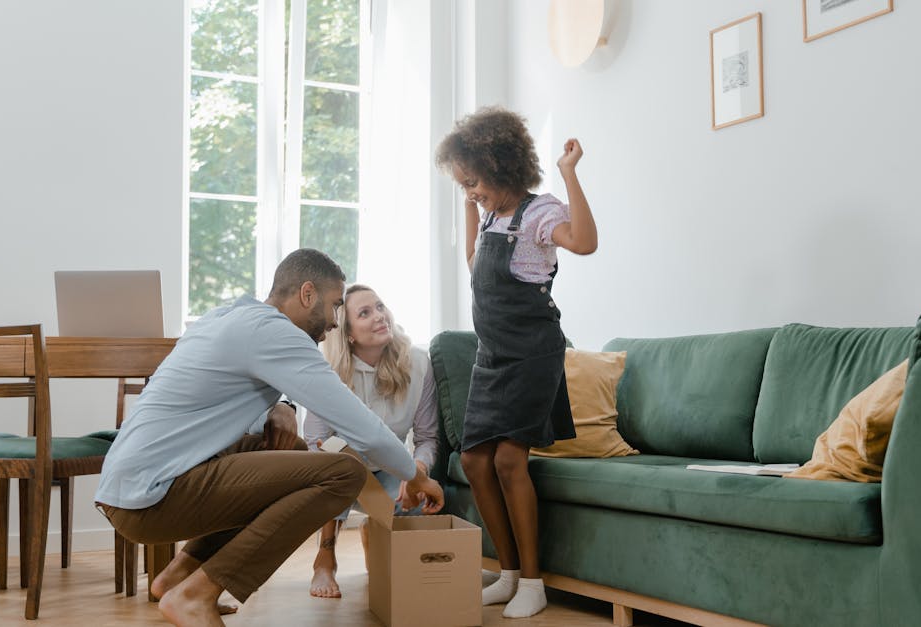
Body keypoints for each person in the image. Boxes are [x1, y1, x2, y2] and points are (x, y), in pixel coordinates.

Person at [93, 249, 444, 627]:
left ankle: (178, 577)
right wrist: (416, 476)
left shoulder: (229, 316)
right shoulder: (276, 334)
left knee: (291, 448)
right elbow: (363, 427)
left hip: (127, 488)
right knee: (345, 473)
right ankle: (197, 595)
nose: (333, 321)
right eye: (334, 305)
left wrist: (281, 406)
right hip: (150, 498)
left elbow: (218, 401)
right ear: (307, 294)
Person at [435, 107, 598, 619]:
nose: (470, 192)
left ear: (500, 165)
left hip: (533, 354)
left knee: (509, 460)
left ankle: (533, 581)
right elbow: (473, 264)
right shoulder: (489, 214)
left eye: (473, 181)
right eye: (462, 184)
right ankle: (506, 574)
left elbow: (585, 243)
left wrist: (568, 173)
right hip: (491, 356)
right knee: (474, 461)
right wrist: (469, 202)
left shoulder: (539, 213)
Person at [302, 284, 440, 599]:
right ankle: (325, 558)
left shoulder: (419, 363)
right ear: (348, 334)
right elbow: (316, 441)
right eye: (365, 313)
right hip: (341, 470)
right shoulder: (329, 371)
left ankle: (374, 531)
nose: (379, 316)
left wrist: (417, 470)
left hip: (389, 468)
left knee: (416, 502)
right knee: (337, 469)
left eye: (379, 307)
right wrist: (343, 465)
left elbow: (427, 437)